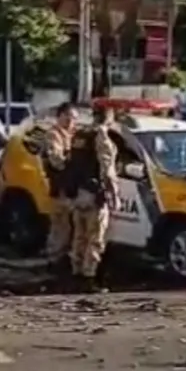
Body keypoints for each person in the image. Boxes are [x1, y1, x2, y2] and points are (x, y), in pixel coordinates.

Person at [64, 105, 119, 292]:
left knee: (79, 236)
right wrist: (114, 194)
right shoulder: (101, 136)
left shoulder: (80, 134)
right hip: (94, 193)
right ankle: (89, 278)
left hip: (77, 192)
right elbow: (107, 169)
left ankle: (75, 274)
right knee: (95, 238)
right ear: (109, 118)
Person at [44, 102, 77, 270]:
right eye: (68, 117)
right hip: (61, 190)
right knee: (60, 227)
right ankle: (54, 260)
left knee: (71, 227)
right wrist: (73, 162)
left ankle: (65, 259)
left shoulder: (74, 135)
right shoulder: (54, 135)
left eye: (74, 118)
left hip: (73, 190)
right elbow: (56, 161)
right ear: (60, 116)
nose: (71, 121)